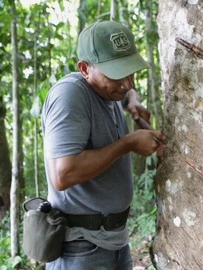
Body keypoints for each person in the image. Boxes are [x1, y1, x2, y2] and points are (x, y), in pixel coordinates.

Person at [42, 21, 165, 270]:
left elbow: (126, 90)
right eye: (116, 74)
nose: (127, 83)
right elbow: (64, 174)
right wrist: (128, 143)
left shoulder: (111, 91)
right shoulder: (71, 95)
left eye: (130, 72)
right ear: (85, 68)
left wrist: (134, 100)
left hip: (116, 242)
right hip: (80, 248)